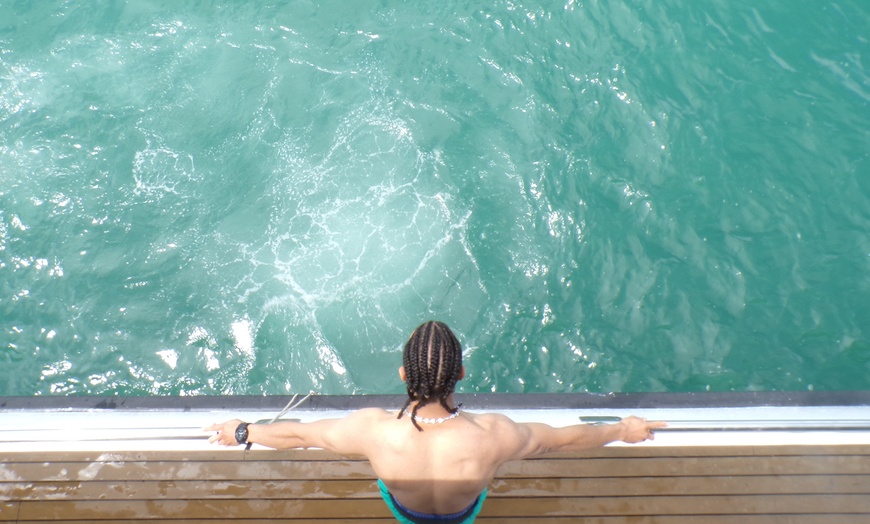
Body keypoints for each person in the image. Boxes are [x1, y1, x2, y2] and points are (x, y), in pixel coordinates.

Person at [207, 320, 667, 523]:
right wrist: (623, 430)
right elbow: (566, 440)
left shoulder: (372, 431)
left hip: (404, 511)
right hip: (463, 512)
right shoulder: (495, 437)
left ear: (404, 375)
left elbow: (299, 436)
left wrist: (242, 431)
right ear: (461, 374)